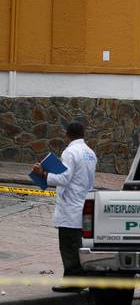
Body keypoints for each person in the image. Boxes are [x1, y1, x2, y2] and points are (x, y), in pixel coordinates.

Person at [31, 122, 97, 292]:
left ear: (67, 135)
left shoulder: (70, 152)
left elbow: (63, 178)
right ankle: (83, 279)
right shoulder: (90, 153)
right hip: (84, 204)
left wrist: (43, 174)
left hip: (70, 207)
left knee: (68, 246)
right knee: (81, 245)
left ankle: (73, 282)